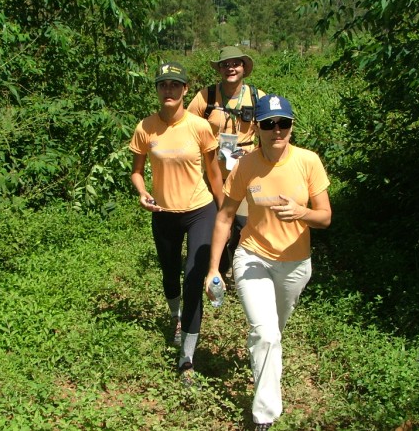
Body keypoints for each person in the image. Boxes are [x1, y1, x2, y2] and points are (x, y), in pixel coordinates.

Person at [204, 94, 332, 430]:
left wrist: (302, 212)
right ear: (257, 128)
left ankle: (261, 349)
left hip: (295, 264)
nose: (277, 130)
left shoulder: (308, 162)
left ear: (291, 125)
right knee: (267, 334)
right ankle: (264, 414)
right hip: (253, 257)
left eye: (283, 123)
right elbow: (225, 217)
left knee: (272, 332)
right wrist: (214, 268)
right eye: (269, 124)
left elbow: (325, 217)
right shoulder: (246, 165)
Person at [129, 62, 224, 385]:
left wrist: (223, 210)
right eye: (163, 85)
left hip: (200, 209)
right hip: (163, 212)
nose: (168, 90)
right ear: (157, 90)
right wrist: (142, 193)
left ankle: (187, 358)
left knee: (193, 276)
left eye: (175, 85)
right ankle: (176, 317)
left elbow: (213, 173)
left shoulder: (199, 127)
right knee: (169, 272)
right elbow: (137, 171)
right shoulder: (146, 127)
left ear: (185, 90)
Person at [188, 46, 265, 281]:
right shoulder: (206, 96)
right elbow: (187, 126)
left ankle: (239, 266)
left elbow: (270, 132)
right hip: (213, 172)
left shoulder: (256, 96)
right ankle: (216, 267)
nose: (230, 68)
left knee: (243, 222)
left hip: (245, 171)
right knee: (213, 220)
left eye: (236, 63)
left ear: (244, 68)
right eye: (225, 64)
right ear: (219, 69)